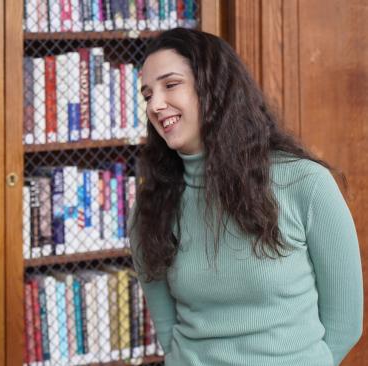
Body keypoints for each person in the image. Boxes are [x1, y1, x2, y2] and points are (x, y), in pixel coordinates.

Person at [129, 28, 362, 366]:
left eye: (171, 85)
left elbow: (345, 324)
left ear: (214, 87)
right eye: (147, 94)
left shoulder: (305, 183)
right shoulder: (150, 209)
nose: (155, 104)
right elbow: (169, 332)